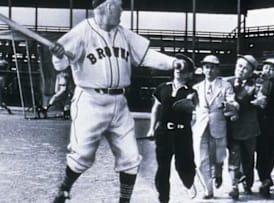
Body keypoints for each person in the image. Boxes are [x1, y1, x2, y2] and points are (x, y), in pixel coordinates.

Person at [49, 0, 188, 202]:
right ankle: (64, 189)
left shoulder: (123, 33)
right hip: (90, 99)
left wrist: (171, 62)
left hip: (119, 102)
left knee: (131, 158)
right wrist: (59, 56)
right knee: (82, 156)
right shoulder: (82, 31)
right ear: (107, 7)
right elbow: (60, 64)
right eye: (119, 5)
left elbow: (146, 55)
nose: (123, 9)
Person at [146, 54, 197, 203]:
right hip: (164, 133)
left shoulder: (192, 92)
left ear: (189, 74)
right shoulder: (163, 88)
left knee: (184, 166)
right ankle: (163, 198)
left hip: (182, 134)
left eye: (184, 68)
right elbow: (156, 108)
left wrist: (189, 105)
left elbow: (194, 111)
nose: (179, 70)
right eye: (178, 67)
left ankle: (189, 182)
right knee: (163, 168)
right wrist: (151, 128)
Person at [192, 55, 236, 199]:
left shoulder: (225, 85)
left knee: (218, 157)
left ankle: (218, 173)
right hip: (200, 127)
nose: (209, 70)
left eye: (213, 67)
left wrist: (228, 105)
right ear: (203, 69)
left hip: (218, 125)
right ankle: (208, 189)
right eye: (207, 67)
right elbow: (192, 108)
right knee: (200, 160)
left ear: (218, 70)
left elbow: (233, 102)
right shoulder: (196, 88)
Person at [226, 54, 266, 200]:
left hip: (249, 128)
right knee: (234, 156)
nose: (241, 70)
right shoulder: (227, 82)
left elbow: (261, 97)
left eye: (245, 68)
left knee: (248, 157)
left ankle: (247, 182)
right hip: (231, 127)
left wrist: (260, 100)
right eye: (239, 66)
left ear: (251, 72)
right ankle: (233, 185)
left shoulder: (254, 85)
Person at [255, 58, 274, 198]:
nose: (267, 70)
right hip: (266, 122)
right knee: (266, 152)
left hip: (269, 121)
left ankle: (265, 177)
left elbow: (263, 100)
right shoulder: (265, 82)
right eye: (265, 67)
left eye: (272, 69)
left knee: (269, 152)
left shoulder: (272, 84)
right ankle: (265, 178)